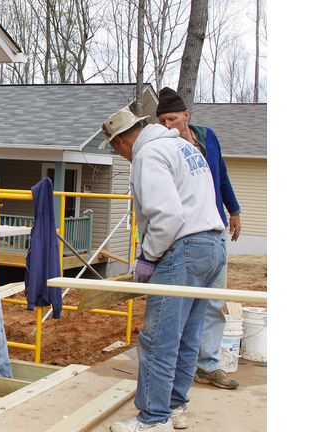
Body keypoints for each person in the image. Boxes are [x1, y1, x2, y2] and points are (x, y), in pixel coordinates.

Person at [97, 107, 226, 432]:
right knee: (188, 335)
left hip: (183, 249)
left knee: (158, 339)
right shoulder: (181, 145)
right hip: (213, 246)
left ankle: (153, 420)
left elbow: (167, 215)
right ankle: (174, 408)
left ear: (120, 142)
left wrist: (149, 257)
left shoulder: (148, 154)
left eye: (116, 150)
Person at [155, 87, 242, 391]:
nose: (169, 126)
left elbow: (221, 175)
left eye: (173, 119)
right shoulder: (167, 147)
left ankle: (208, 365)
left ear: (186, 115)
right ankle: (178, 368)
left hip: (213, 231)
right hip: (183, 237)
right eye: (163, 120)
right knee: (179, 309)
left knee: (213, 302)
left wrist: (234, 210)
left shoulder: (207, 138)